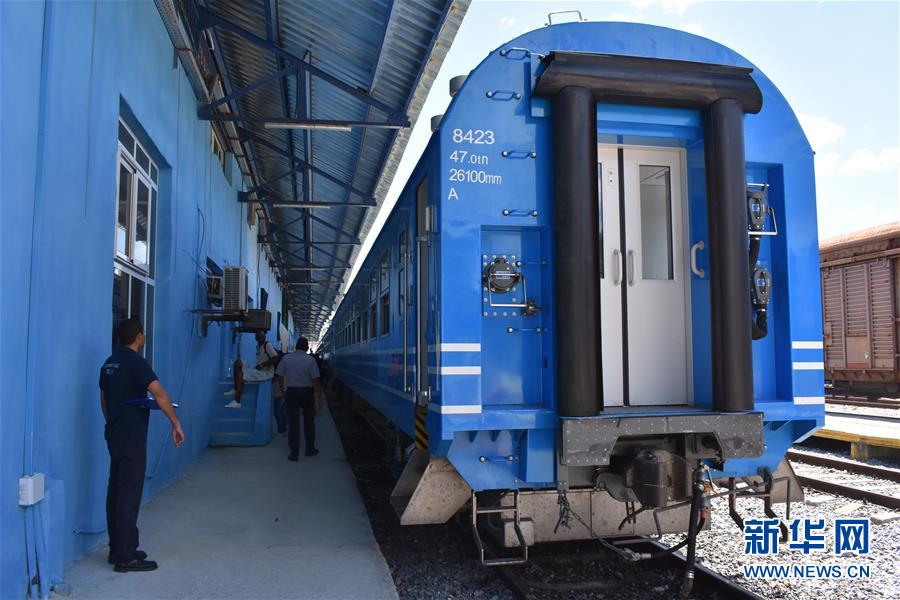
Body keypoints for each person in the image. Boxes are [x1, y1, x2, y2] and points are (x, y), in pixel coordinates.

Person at [99, 318, 185, 573]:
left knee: (115, 491)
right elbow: (159, 394)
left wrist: (113, 421)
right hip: (132, 437)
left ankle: (118, 548)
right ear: (138, 336)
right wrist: (175, 422)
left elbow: (104, 399)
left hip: (114, 433)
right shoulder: (135, 362)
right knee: (128, 494)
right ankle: (126, 557)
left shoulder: (109, 363)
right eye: (143, 333)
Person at [275, 338, 323, 461]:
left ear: (296, 346)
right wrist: (319, 397)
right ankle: (310, 449)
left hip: (291, 392)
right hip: (307, 393)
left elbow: (279, 374)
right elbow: (315, 380)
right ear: (307, 348)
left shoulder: (286, 358)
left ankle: (294, 453)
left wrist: (282, 389)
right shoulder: (310, 360)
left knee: (293, 424)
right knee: (309, 423)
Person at [224, 331, 279, 408]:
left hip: (266, 371)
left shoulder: (268, 345)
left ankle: (237, 401)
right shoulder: (258, 346)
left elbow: (276, 358)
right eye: (258, 336)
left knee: (241, 373)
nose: (261, 338)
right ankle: (236, 389)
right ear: (256, 338)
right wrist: (259, 365)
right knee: (238, 362)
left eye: (262, 336)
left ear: (264, 337)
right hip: (256, 366)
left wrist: (262, 365)